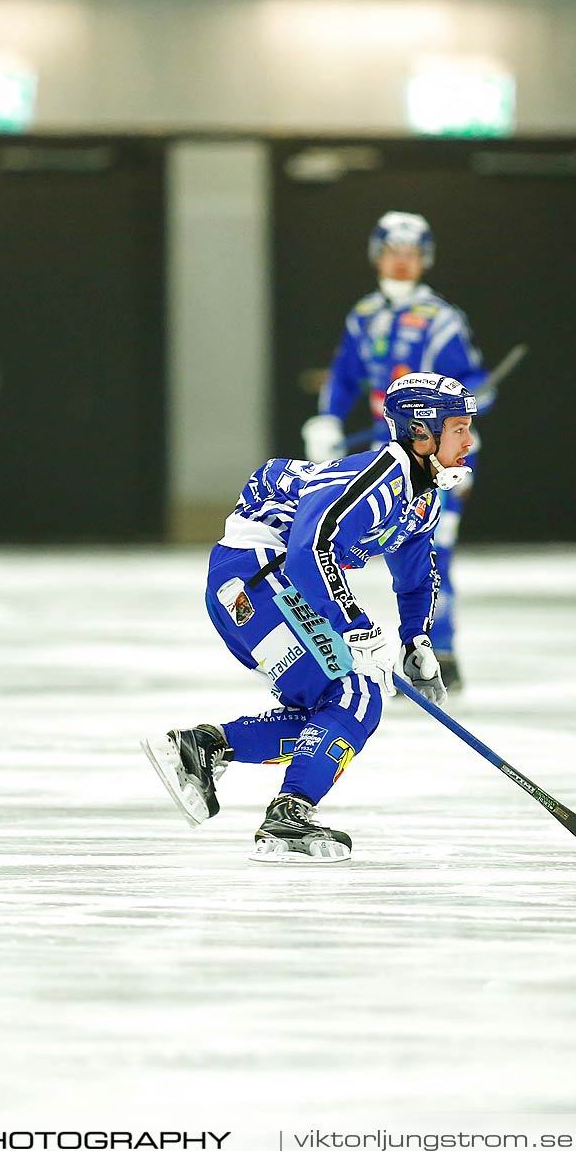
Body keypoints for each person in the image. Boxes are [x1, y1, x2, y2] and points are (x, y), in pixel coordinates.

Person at [145, 373, 479, 863]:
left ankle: (205, 746)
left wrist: (416, 641)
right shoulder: (377, 478)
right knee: (357, 691)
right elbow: (307, 550)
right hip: (256, 575)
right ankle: (288, 814)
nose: (469, 440)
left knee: (336, 709)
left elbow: (413, 575)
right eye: (458, 428)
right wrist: (353, 626)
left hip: (264, 581)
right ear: (421, 433)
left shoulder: (424, 495)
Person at [300, 211, 491, 691]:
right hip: (384, 457)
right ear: (377, 256)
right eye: (393, 252)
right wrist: (327, 419)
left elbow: (475, 383)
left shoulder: (443, 320)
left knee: (430, 552)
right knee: (339, 543)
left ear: (424, 259)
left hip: (433, 456)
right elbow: (344, 374)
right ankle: (336, 647)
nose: (402, 262)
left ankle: (438, 649)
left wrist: (466, 433)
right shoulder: (362, 315)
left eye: (411, 253)